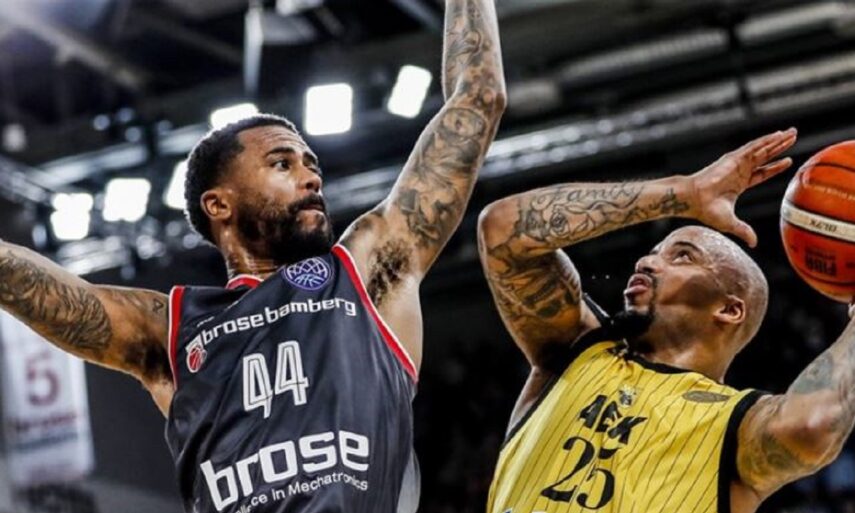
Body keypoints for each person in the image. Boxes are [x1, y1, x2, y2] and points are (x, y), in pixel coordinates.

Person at [0, 1, 506, 512]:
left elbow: (477, 100)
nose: (311, 178)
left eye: (311, 165)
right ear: (219, 205)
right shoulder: (174, 329)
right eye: (282, 164)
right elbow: (46, 290)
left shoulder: (366, 272)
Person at [478, 128, 855, 513]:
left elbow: (815, 422)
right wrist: (685, 193)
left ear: (729, 310)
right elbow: (504, 229)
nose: (646, 261)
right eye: (654, 252)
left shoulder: (735, 424)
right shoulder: (577, 352)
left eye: (683, 256)